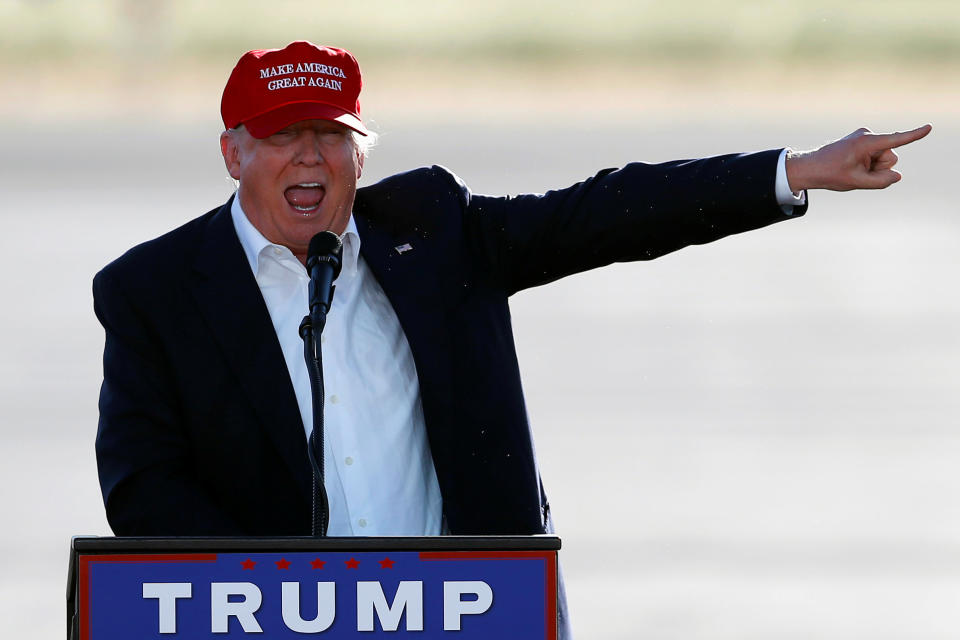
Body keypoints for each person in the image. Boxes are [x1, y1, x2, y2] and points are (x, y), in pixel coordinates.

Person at [93, 40, 931, 638]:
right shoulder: (155, 291)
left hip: (472, 611)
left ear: (360, 152)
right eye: (282, 135)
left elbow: (604, 213)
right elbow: (146, 491)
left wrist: (793, 171)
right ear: (232, 153)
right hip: (274, 623)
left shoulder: (433, 230)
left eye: (333, 135)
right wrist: (289, 606)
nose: (310, 156)